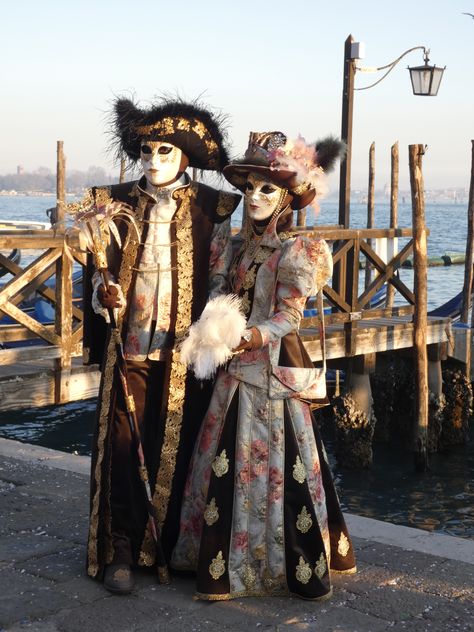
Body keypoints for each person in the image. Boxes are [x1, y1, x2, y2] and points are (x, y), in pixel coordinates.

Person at [171, 131, 356, 601]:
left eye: (266, 188)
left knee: (278, 466)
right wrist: (212, 328)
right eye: (249, 187)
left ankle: (274, 565)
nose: (254, 196)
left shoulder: (297, 250)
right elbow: (219, 293)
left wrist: (252, 334)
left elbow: (290, 316)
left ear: (287, 196)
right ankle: (218, 562)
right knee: (222, 460)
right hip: (232, 373)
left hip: (271, 374)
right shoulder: (232, 246)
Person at [83, 97, 241, 593]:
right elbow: (96, 275)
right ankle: (123, 549)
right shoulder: (116, 204)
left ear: (185, 158)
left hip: (183, 354)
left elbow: (220, 279)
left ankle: (173, 546)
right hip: (128, 349)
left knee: (180, 445)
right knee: (125, 448)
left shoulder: (213, 210)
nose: (153, 161)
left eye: (165, 152)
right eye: (148, 151)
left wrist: (208, 333)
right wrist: (101, 295)